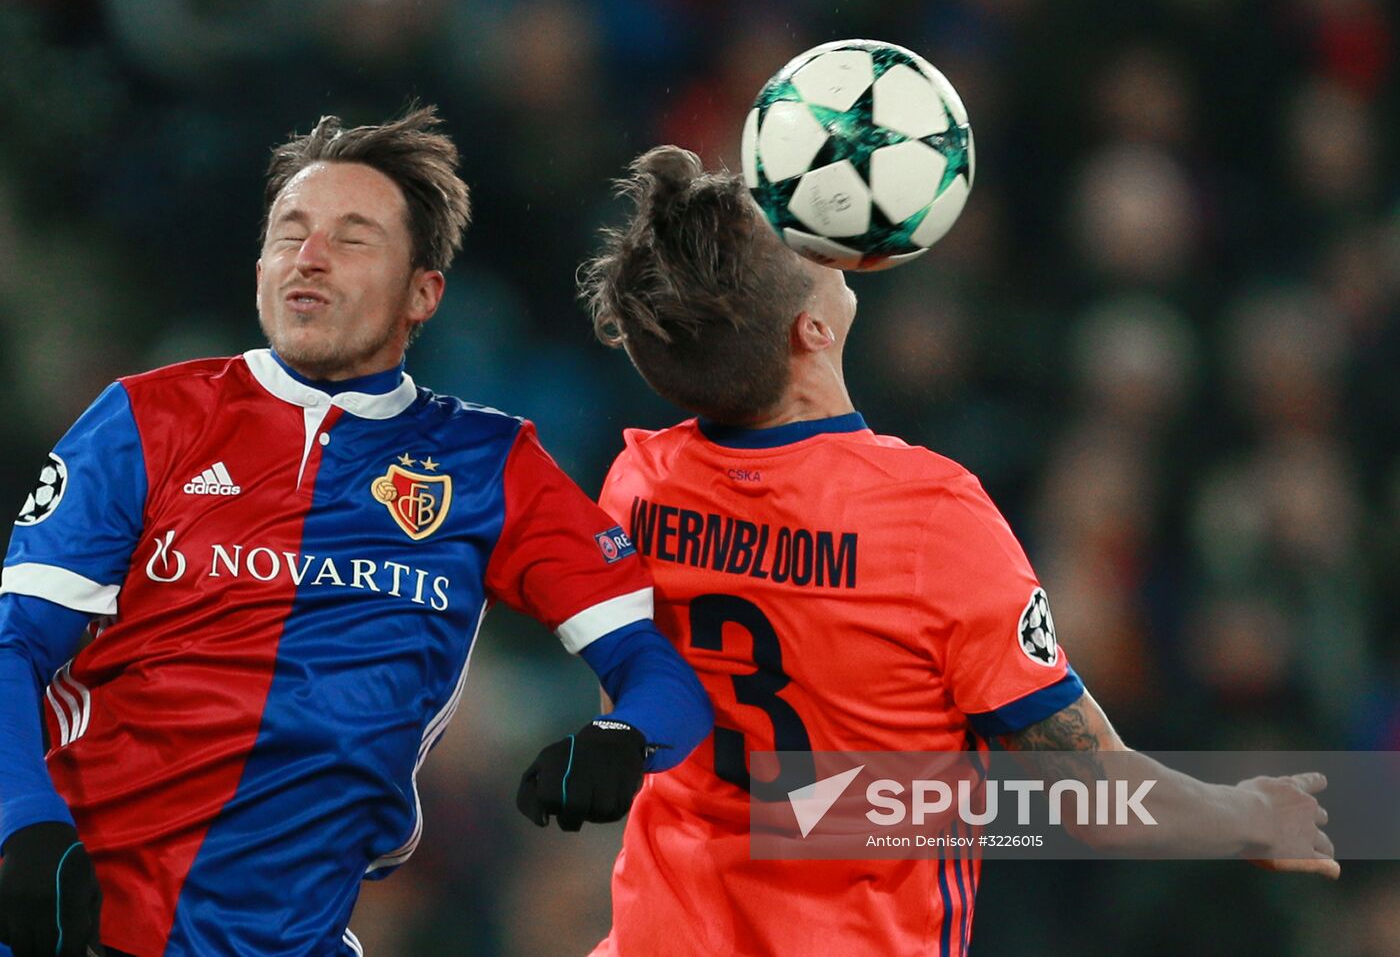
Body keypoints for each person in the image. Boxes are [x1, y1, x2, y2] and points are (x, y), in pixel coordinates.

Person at [577, 146, 1338, 957]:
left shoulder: (638, 487)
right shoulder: (926, 518)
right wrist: (1249, 815)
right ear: (814, 329)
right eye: (794, 237)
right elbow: (1094, 798)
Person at [0, 108, 712, 957]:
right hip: (68, 920)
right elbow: (13, 648)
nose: (309, 256)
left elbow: (660, 672)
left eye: (353, 237)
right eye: (289, 233)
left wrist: (625, 739)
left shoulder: (489, 464)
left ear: (424, 293)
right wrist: (22, 825)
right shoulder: (144, 420)